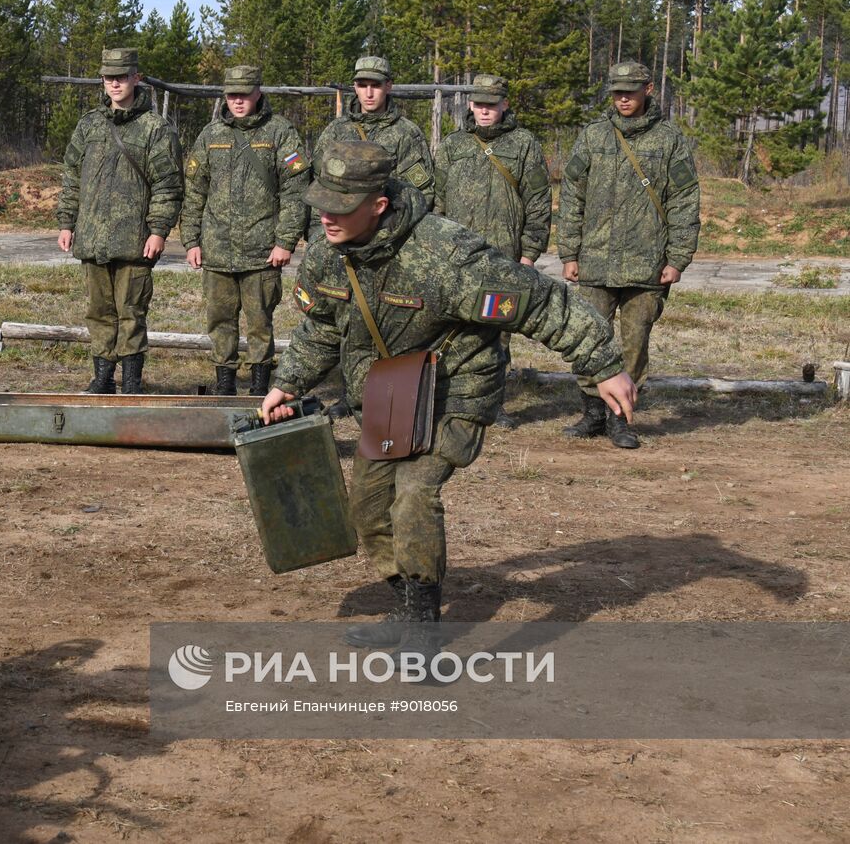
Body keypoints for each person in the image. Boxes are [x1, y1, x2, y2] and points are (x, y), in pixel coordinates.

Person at [261, 140, 636, 650]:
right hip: (391, 396)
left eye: (340, 206)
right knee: (369, 511)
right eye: (322, 203)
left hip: (454, 390)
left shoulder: (447, 255)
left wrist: (605, 365)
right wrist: (288, 382)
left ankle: (423, 628)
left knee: (414, 495)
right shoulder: (329, 255)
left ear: (378, 204)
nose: (326, 216)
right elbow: (323, 327)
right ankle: (407, 603)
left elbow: (544, 304)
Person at [557, 61, 700, 449]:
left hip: (647, 265)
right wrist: (569, 251)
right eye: (617, 92)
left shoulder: (669, 140)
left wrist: (678, 258)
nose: (623, 98)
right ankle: (591, 412)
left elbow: (684, 201)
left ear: (648, 90)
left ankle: (621, 418)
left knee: (635, 344)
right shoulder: (593, 136)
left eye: (630, 91)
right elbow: (572, 195)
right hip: (595, 261)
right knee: (588, 338)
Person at [56, 48, 184, 394]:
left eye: (122, 76)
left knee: (131, 314)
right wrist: (67, 222)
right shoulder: (89, 125)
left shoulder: (156, 129)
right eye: (108, 77)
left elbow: (168, 186)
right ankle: (102, 379)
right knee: (99, 313)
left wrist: (158, 231)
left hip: (135, 241)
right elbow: (72, 177)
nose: (114, 83)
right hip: (93, 238)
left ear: (136, 79)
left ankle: (131, 382)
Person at [181, 65, 310, 396]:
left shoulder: (280, 133)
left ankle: (259, 389)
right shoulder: (210, 136)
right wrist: (191, 240)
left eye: (244, 94)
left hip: (262, 252)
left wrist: (285, 242)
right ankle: (224, 387)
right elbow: (195, 191)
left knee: (259, 325)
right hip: (217, 251)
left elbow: (296, 192)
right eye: (232, 95)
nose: (238, 101)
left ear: (258, 93)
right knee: (219, 324)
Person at [432, 73, 552, 429]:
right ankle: (448, 400)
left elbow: (539, 202)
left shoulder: (524, 145)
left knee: (498, 334)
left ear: (505, 105)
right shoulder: (453, 146)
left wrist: (528, 254)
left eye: (492, 104)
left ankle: (494, 403)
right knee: (450, 331)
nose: (485, 111)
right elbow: (437, 203)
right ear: (470, 105)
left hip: (503, 258)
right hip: (456, 258)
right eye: (479, 104)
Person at [312, 55, 434, 234]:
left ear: (388, 86)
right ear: (355, 87)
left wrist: (391, 230)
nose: (368, 93)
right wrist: (319, 231)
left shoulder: (406, 133)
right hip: (340, 231)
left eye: (375, 85)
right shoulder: (336, 131)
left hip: (385, 235)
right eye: (362, 85)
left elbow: (422, 193)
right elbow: (318, 184)